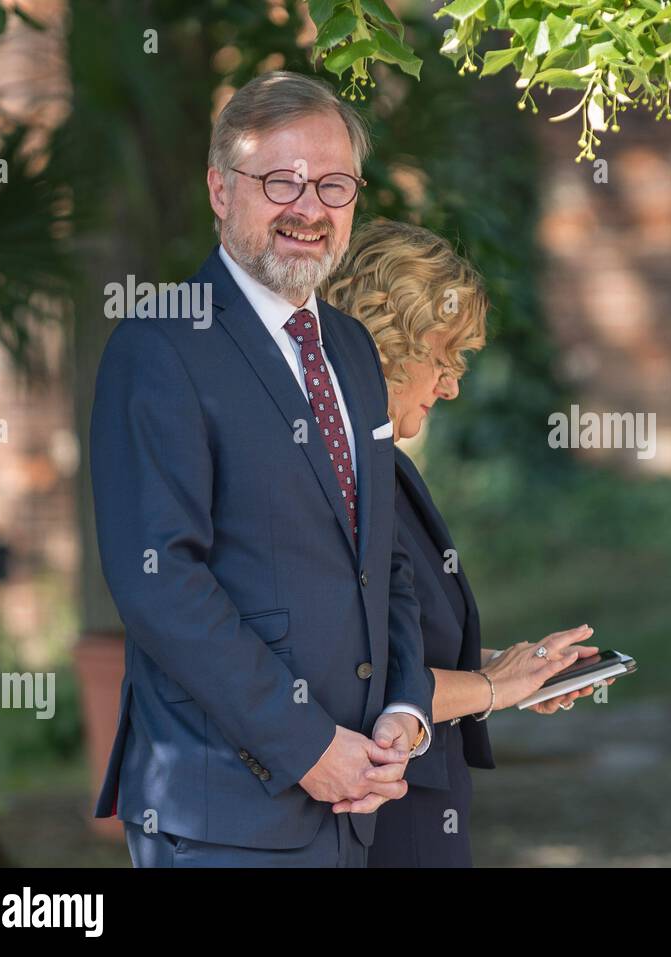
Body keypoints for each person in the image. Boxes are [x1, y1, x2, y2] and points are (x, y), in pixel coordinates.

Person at [90, 72, 432, 867]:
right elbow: (159, 582)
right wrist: (309, 743)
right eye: (281, 180)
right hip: (222, 813)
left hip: (357, 797)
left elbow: (384, 560)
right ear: (220, 189)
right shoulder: (161, 346)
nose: (309, 208)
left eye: (334, 184)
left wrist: (405, 710)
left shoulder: (351, 349)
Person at [324, 220, 607, 867]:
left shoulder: (384, 462)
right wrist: (490, 688)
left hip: (423, 794)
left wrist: (518, 668)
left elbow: (391, 643)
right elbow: (345, 674)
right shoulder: (334, 475)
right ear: (390, 345)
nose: (450, 385)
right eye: (443, 359)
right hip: (384, 806)